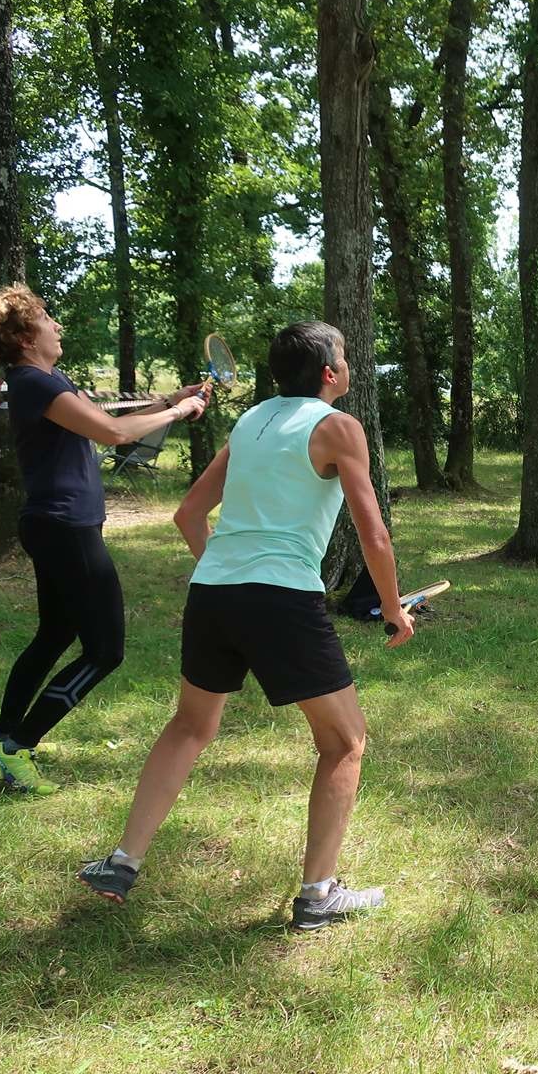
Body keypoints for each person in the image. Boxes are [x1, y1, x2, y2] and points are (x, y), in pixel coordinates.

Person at [76, 321, 414, 931]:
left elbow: (188, 515)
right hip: (281, 599)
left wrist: (230, 577)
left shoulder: (252, 420)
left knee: (189, 726)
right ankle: (318, 895)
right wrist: (392, 607)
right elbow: (374, 532)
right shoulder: (340, 427)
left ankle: (122, 862)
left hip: (212, 594)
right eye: (344, 356)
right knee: (344, 744)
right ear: (331, 374)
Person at [0, 285, 208, 795]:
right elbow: (114, 436)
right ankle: (13, 750)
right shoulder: (31, 381)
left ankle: (7, 734)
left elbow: (106, 422)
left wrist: (170, 399)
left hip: (57, 524)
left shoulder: (48, 378)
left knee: (53, 635)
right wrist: (179, 414)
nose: (57, 326)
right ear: (26, 335)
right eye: (47, 318)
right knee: (105, 651)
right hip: (64, 527)